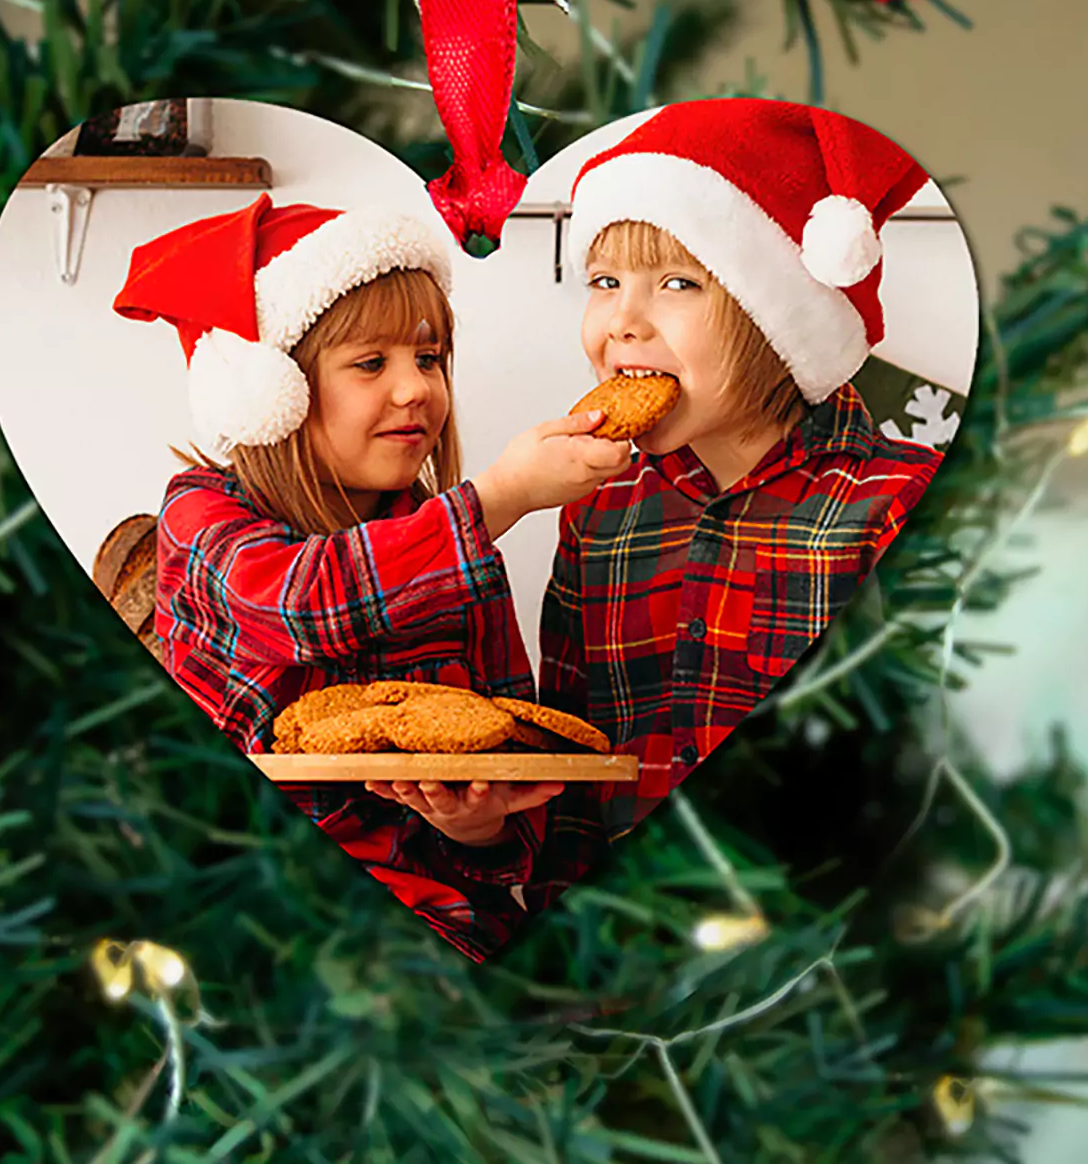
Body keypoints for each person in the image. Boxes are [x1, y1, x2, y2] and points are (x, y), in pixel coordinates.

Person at [367, 98, 948, 947]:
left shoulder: (895, 505)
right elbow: (571, 778)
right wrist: (486, 830)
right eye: (605, 283)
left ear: (773, 311)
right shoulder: (602, 511)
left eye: (678, 283)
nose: (622, 322)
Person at [111, 193, 628, 960]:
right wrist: (501, 497)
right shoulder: (204, 517)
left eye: (427, 358)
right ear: (271, 393)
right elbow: (305, 606)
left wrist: (477, 826)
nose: (415, 387)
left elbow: (511, 786)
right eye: (369, 364)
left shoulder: (461, 565)